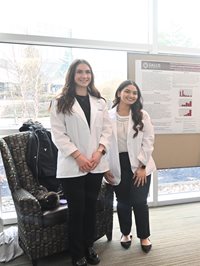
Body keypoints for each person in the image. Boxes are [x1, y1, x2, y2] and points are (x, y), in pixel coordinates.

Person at [50, 59, 112, 266]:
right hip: (72, 166)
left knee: (90, 208)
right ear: (72, 75)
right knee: (76, 211)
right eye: (80, 72)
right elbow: (58, 135)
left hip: (95, 164)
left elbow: (107, 130)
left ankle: (89, 246)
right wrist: (79, 157)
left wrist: (99, 152)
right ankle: (77, 254)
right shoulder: (60, 101)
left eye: (87, 72)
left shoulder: (99, 102)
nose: (84, 76)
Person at [104, 80, 156, 253]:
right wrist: (105, 168)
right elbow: (101, 143)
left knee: (140, 201)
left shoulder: (142, 115)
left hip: (140, 163)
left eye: (135, 93)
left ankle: (144, 236)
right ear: (119, 93)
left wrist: (142, 166)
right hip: (117, 163)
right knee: (123, 202)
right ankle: (125, 233)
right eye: (127, 91)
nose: (131, 95)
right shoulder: (107, 115)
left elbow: (149, 141)